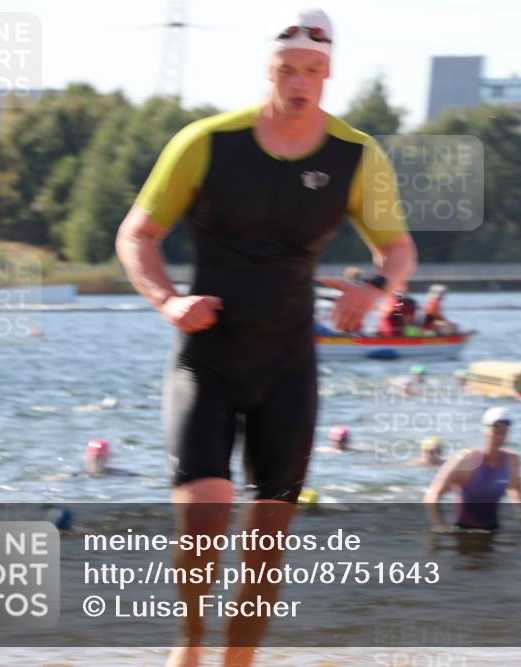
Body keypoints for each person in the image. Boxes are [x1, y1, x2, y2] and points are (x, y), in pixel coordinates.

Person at [114, 9, 416, 666]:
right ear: (268, 68)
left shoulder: (355, 154)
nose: (299, 82)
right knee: (203, 512)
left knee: (268, 537)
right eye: (287, 68)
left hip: (287, 364)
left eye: (312, 70)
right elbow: (137, 234)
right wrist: (168, 299)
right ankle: (190, 643)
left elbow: (397, 249)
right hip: (208, 357)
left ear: (329, 71)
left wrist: (374, 288)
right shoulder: (207, 141)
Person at [424, 407, 521, 531]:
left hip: (493, 530)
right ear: (485, 431)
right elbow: (433, 493)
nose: (500, 438)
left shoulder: (512, 460)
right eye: (496, 433)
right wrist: (438, 525)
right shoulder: (466, 459)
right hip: (461, 531)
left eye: (504, 433)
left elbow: (515, 487)